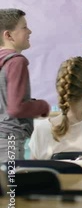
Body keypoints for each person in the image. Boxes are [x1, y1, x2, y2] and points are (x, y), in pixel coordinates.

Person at [0, 8, 50, 162]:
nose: (30, 31)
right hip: (9, 141)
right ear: (8, 35)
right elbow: (16, 108)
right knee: (13, 184)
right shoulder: (16, 61)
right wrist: (42, 106)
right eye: (24, 27)